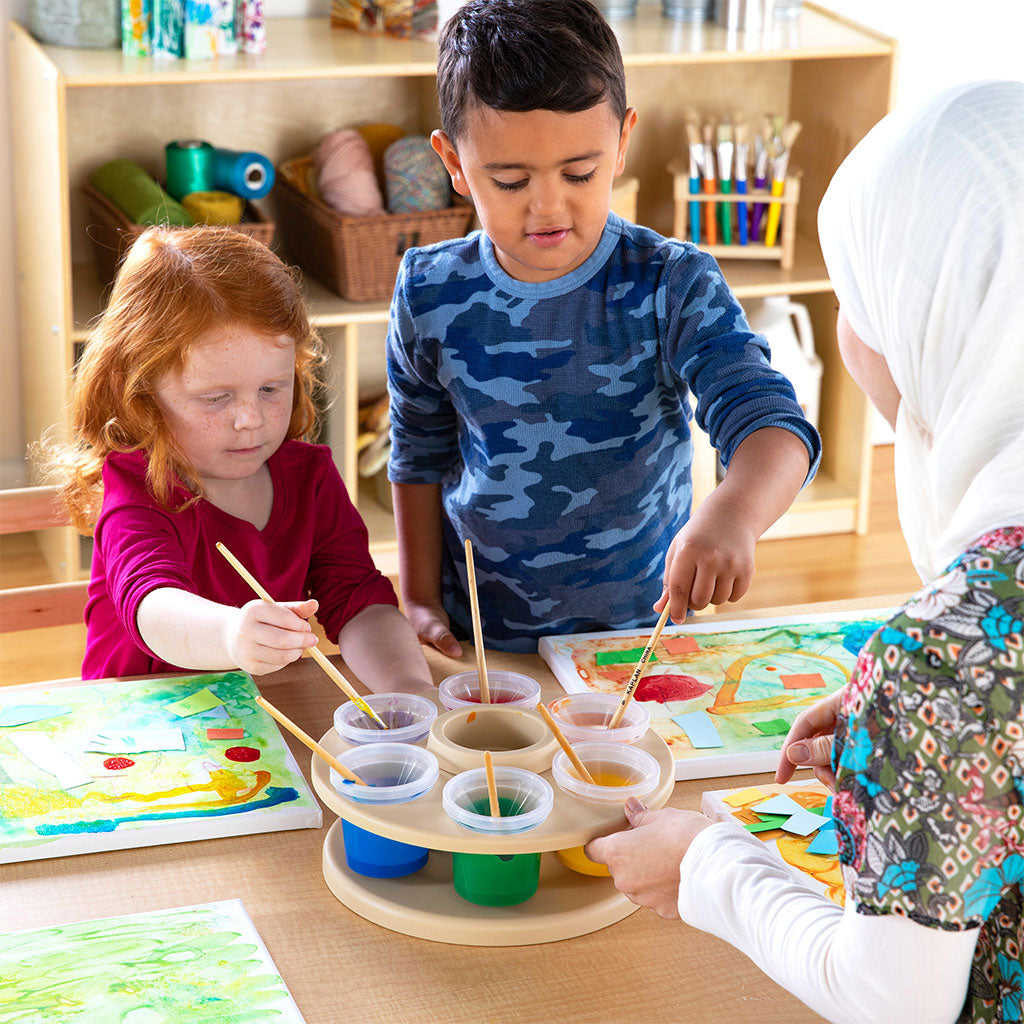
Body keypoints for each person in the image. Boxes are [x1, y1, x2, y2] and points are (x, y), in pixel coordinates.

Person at [586, 80, 1024, 1024]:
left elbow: (891, 1001)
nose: (850, 333)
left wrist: (706, 866)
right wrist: (920, 736)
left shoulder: (952, 653)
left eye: (858, 290)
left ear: (936, 304)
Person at [386, 0, 821, 656]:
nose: (548, 205)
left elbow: (775, 426)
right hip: (482, 638)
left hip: (636, 641)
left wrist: (735, 515)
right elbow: (417, 452)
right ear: (452, 162)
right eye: (509, 181)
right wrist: (418, 599)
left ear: (622, 141)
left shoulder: (672, 282)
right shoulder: (428, 289)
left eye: (579, 173)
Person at [47, 226, 433, 693]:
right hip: (140, 731)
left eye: (272, 388)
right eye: (215, 398)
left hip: (264, 717)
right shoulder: (137, 484)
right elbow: (151, 605)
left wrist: (412, 690)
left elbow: (359, 602)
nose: (250, 419)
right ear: (142, 393)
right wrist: (231, 635)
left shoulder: (309, 475)